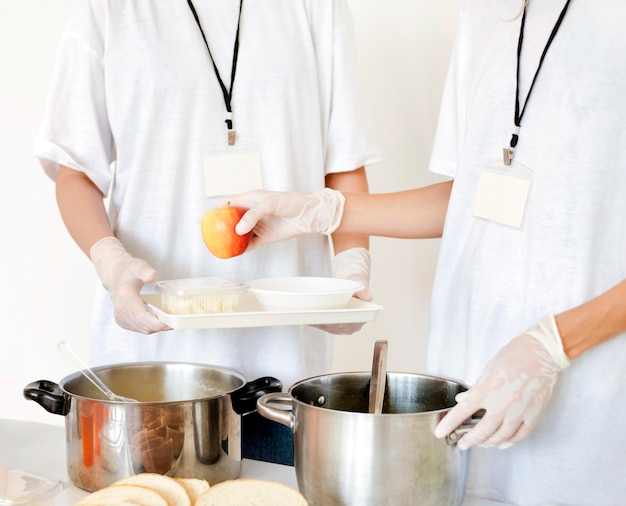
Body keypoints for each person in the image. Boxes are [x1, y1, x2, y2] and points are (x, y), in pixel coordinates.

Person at [218, 0, 626, 503]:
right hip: (464, 393)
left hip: (591, 399)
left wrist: (553, 344)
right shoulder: (487, 16)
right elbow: (473, 200)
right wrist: (328, 211)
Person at [33, 0, 380, 464]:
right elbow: (74, 168)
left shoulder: (316, 8)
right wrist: (111, 264)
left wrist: (351, 273)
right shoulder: (108, 9)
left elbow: (343, 163)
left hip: (284, 374)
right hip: (150, 371)